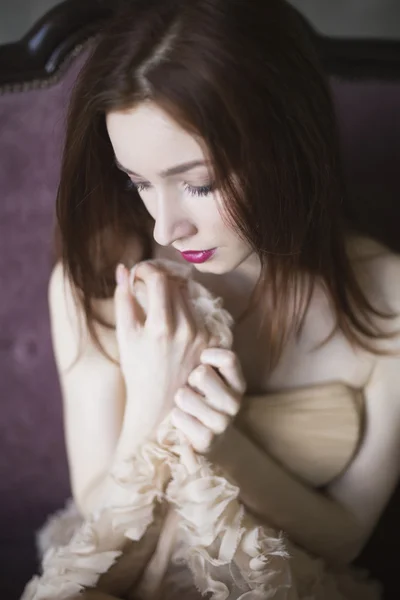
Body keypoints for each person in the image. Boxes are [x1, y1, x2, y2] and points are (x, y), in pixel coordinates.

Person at [46, 0, 400, 597]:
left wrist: (224, 448)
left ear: (286, 144)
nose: (164, 228)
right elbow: (94, 516)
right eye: (139, 184)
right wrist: (155, 400)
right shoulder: (100, 278)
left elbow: (345, 538)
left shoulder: (387, 295)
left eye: (199, 183)